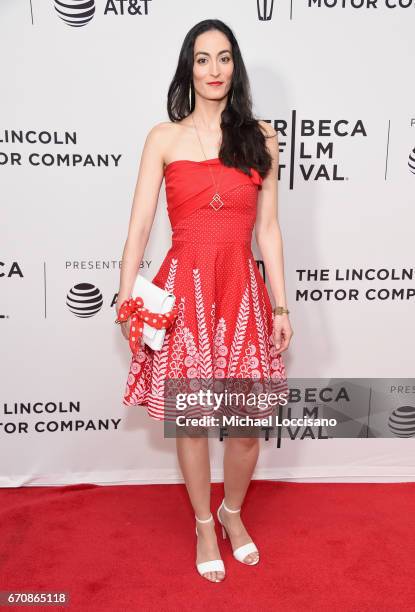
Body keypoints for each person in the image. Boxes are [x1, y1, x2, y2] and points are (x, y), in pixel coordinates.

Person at [116, 19, 293, 583]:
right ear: (187, 68)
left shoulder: (260, 137)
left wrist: (282, 306)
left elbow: (268, 231)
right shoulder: (162, 138)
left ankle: (231, 512)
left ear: (234, 67)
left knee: (245, 427)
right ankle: (201, 523)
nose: (214, 70)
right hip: (184, 289)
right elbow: (140, 225)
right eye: (202, 59)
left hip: (240, 290)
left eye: (223, 58)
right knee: (191, 422)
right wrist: (126, 297)